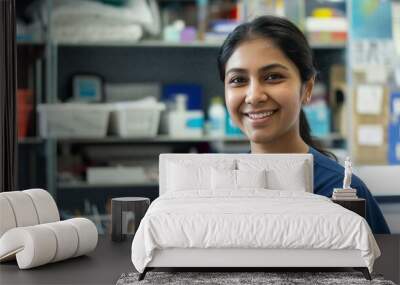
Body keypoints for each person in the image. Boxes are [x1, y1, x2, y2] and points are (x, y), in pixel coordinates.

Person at [217, 15, 390, 234]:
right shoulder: (218, 188)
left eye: (272, 77)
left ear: (307, 88)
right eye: (238, 80)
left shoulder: (343, 191)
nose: (253, 96)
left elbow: (385, 267)